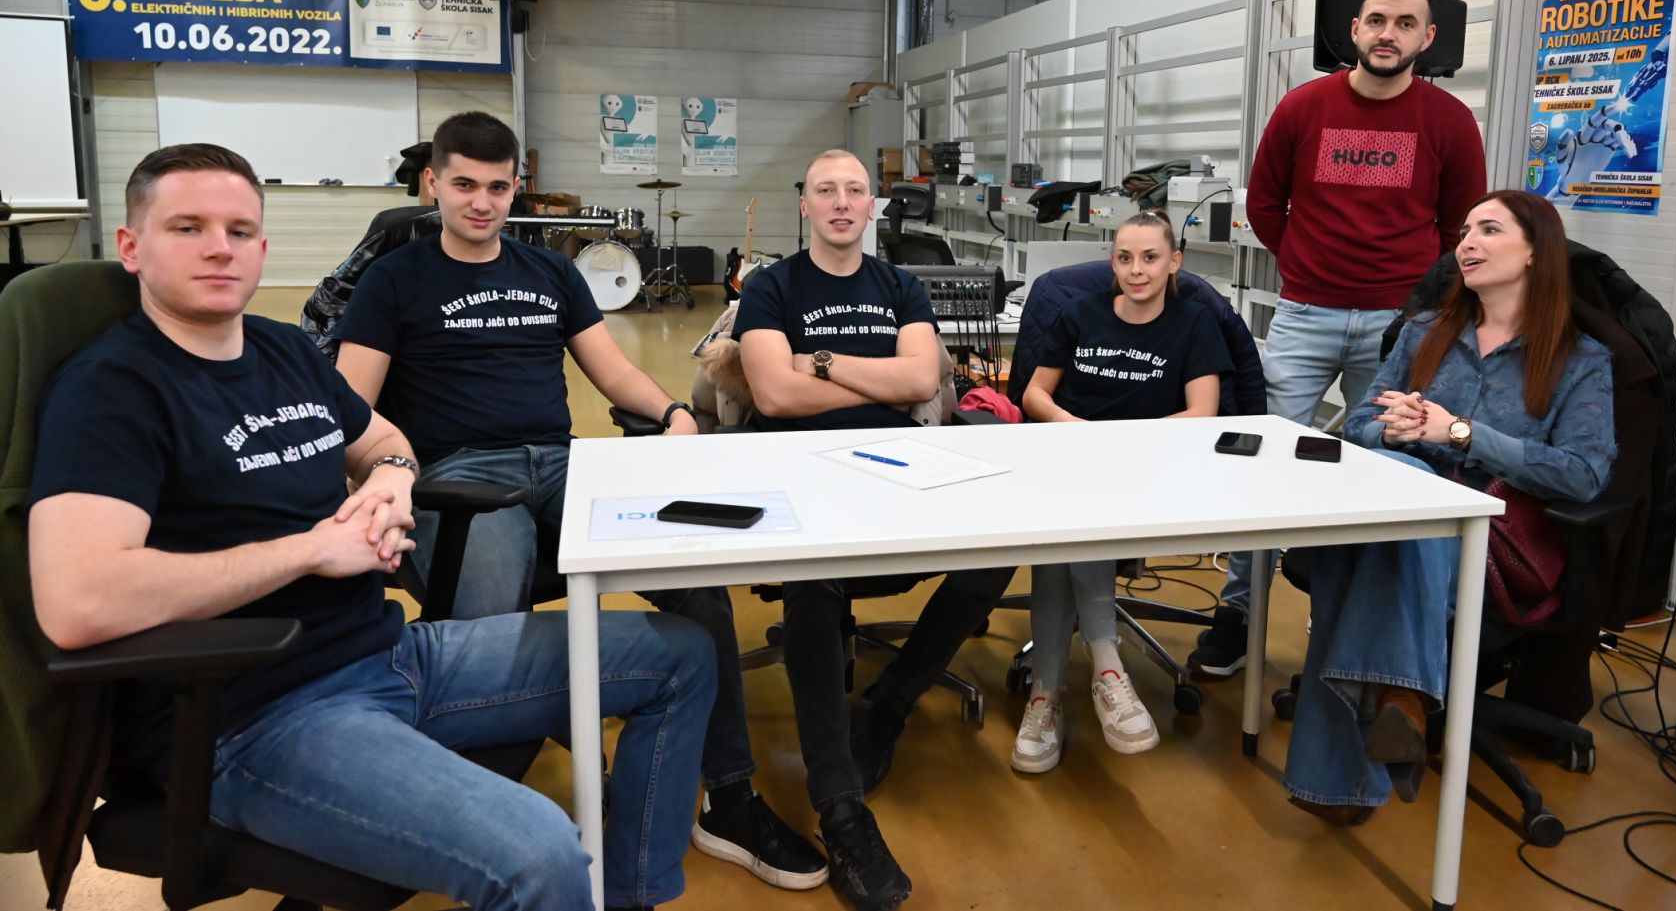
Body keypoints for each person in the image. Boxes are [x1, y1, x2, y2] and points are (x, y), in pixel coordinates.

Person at [26, 143, 715, 911]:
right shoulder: (112, 389)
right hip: (260, 714)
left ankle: (629, 895)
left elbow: (382, 437)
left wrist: (391, 476)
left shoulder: (282, 349)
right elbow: (79, 601)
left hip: (390, 653)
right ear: (131, 245)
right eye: (188, 227)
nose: (220, 247)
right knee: (541, 855)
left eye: (239, 230)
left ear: (262, 247)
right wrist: (310, 549)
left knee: (679, 655)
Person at [332, 112, 825, 891]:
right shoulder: (394, 279)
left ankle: (729, 795)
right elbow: (351, 405)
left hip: (566, 465)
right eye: (464, 184)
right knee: (489, 631)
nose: (481, 202)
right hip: (461, 478)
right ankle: (476, 816)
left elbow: (612, 372)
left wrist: (674, 412)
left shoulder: (548, 271)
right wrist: (379, 478)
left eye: (498, 187)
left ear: (517, 187)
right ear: (433, 182)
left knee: (696, 581)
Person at [731, 149, 1014, 911]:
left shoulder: (900, 286)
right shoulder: (772, 287)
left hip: (901, 466)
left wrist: (819, 361)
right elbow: (772, 395)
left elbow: (921, 378)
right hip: (802, 472)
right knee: (815, 577)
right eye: (826, 190)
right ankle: (840, 806)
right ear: (805, 204)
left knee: (995, 552)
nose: (841, 202)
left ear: (871, 206)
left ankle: (889, 704)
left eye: (855, 190)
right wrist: (872, 378)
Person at [1191, 0, 1489, 681]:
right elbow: (1265, 204)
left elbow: (1460, 224)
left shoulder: (1449, 121)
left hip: (1399, 325)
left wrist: (1415, 298)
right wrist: (1305, 263)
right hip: (1305, 314)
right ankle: (1240, 612)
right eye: (1377, 20)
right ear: (1354, 30)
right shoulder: (1304, 106)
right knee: (1261, 461)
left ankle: (1342, 626)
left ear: (1428, 37)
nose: (1389, 34)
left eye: (1405, 23)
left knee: (1378, 471)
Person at [1285, 189, 1616, 823]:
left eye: (1489, 230)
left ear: (1535, 252)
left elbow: (1584, 475)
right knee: (1394, 498)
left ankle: (1341, 779)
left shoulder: (1578, 360)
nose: (1466, 243)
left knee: (1362, 548)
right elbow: (1358, 424)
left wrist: (1461, 434)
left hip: (1492, 542)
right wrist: (1393, 430)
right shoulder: (1423, 334)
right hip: (1397, 522)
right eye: (1463, 231)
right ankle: (1401, 698)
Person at [1010, 211, 1231, 772]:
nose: (1137, 270)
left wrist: (1123, 443)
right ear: (1113, 262)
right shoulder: (1080, 313)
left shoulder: (1195, 322)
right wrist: (1072, 427)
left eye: (1151, 258)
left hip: (1150, 467)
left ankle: (1048, 693)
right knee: (1069, 514)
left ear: (1174, 261)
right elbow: (1034, 394)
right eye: (1125, 258)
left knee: (1071, 522)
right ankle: (1102, 674)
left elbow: (1203, 411)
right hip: (1071, 456)